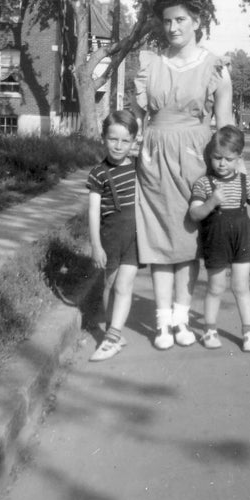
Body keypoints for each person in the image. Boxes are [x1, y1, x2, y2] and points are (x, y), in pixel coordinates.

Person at [135, 0, 233, 350]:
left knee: (189, 239)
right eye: (167, 21)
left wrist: (234, 171)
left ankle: (181, 319)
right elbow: (138, 118)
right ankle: (163, 324)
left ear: (197, 22)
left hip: (195, 155)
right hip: (154, 157)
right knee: (159, 238)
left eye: (181, 20)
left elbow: (224, 123)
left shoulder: (215, 67)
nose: (173, 27)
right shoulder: (151, 65)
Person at [189, 125, 250, 351]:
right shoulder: (203, 183)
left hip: (241, 239)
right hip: (216, 239)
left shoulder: (244, 182)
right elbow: (194, 213)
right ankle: (209, 330)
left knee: (241, 287)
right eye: (217, 158)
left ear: (240, 158)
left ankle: (248, 332)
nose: (222, 164)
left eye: (228, 159)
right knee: (216, 287)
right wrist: (211, 202)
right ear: (209, 156)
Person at [86, 110, 140, 362]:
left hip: (135, 237)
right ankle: (113, 331)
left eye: (125, 140)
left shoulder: (139, 167)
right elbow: (94, 212)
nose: (119, 146)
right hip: (110, 237)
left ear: (133, 142)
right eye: (113, 139)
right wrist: (96, 245)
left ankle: (112, 337)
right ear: (103, 138)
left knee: (124, 285)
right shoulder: (98, 173)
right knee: (109, 284)